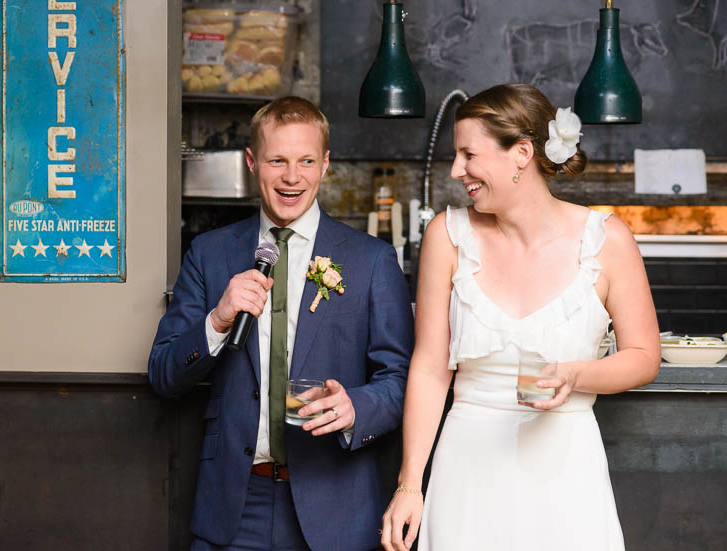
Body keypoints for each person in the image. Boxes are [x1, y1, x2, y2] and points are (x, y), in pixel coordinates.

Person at [381, 83, 660, 551]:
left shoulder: (607, 239)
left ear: (522, 154)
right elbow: (431, 369)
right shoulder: (446, 236)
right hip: (466, 473)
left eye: (468, 154)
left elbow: (644, 356)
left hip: (566, 474)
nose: (456, 171)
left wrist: (578, 375)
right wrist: (410, 486)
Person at [149, 96, 414, 551]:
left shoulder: (371, 260)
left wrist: (358, 407)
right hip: (234, 504)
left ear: (325, 164)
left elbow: (400, 378)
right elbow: (163, 375)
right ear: (253, 162)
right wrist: (217, 319)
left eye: (306, 160)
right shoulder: (209, 254)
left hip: (335, 502)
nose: (292, 177)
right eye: (278, 161)